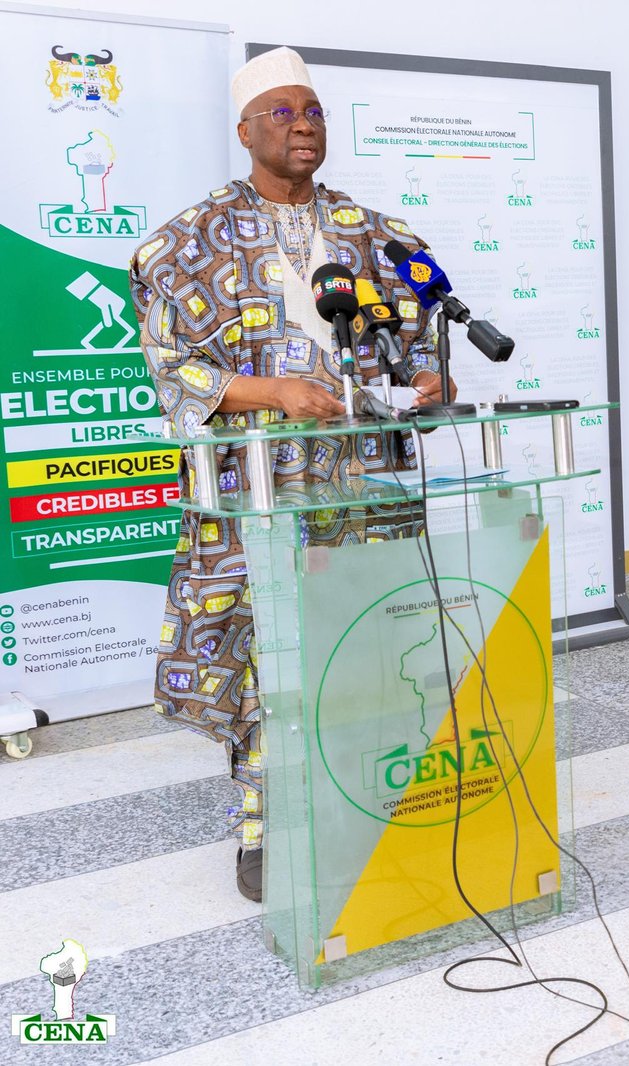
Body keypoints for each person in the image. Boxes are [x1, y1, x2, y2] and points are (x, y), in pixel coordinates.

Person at [129, 48, 454, 901]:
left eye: (313, 110)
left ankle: (368, 801)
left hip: (365, 492)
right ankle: (262, 828)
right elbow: (174, 366)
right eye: (282, 111)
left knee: (369, 648)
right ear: (244, 131)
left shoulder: (375, 234)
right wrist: (274, 390)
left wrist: (430, 376)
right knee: (272, 657)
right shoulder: (184, 241)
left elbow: (416, 342)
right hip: (258, 496)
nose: (303, 123)